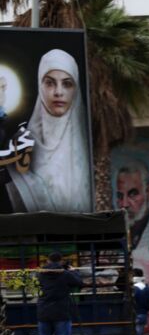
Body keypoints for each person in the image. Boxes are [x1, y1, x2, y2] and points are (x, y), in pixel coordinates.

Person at [4, 49, 92, 213]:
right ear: (40, 85)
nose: (58, 92)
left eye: (67, 84)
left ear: (76, 88)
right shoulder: (19, 146)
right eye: (50, 83)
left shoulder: (90, 146)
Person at [36, 251, 82, 335]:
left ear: (48, 261)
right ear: (61, 261)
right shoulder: (65, 274)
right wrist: (74, 271)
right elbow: (79, 283)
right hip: (61, 311)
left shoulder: (40, 274)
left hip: (43, 311)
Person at [115, 160, 149, 254]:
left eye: (133, 194)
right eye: (120, 196)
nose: (124, 204)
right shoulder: (115, 235)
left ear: (148, 192)